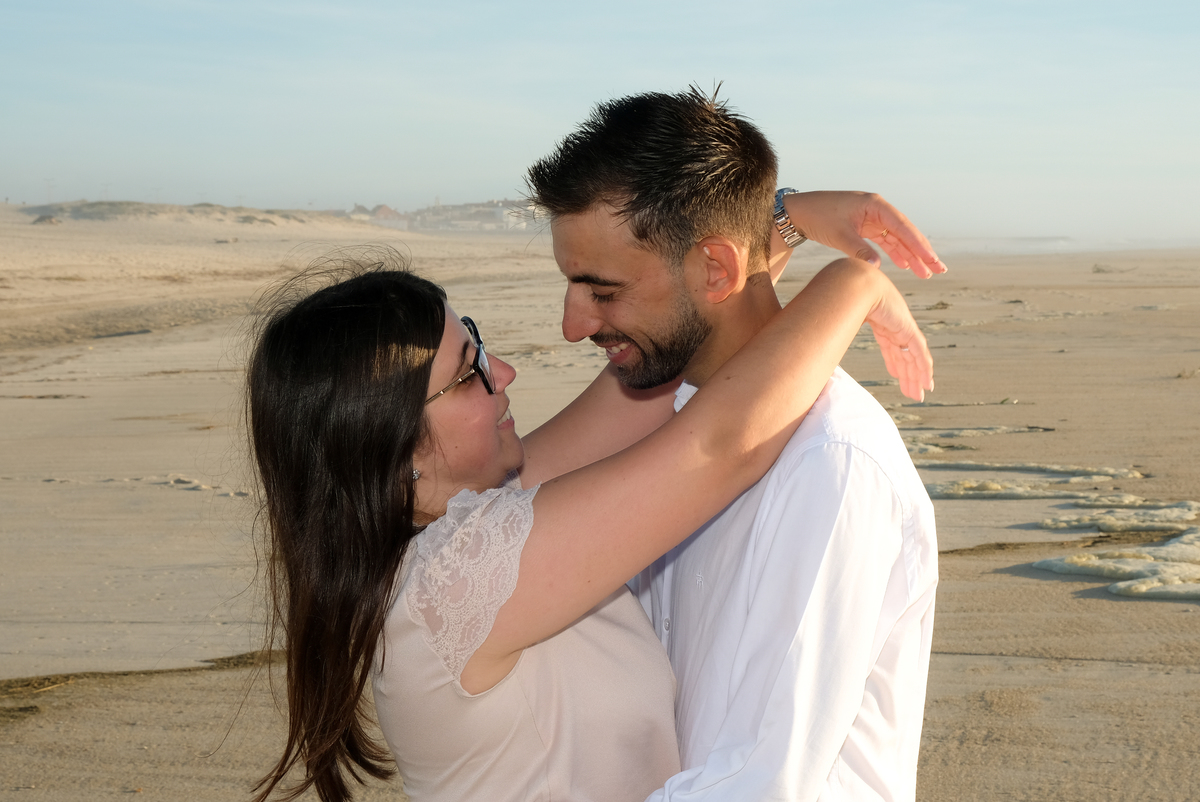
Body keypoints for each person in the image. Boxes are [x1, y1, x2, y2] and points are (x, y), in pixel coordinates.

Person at [247, 244, 931, 802]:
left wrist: (764, 223)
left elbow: (659, 357)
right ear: (393, 448)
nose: (503, 371)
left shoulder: (464, 532)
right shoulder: (454, 583)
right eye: (468, 373)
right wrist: (853, 281)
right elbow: (720, 445)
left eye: (478, 342)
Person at [525, 87, 941, 801]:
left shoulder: (829, 463)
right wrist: (786, 217)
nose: (573, 326)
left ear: (716, 269)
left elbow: (758, 783)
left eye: (604, 291)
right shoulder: (671, 423)